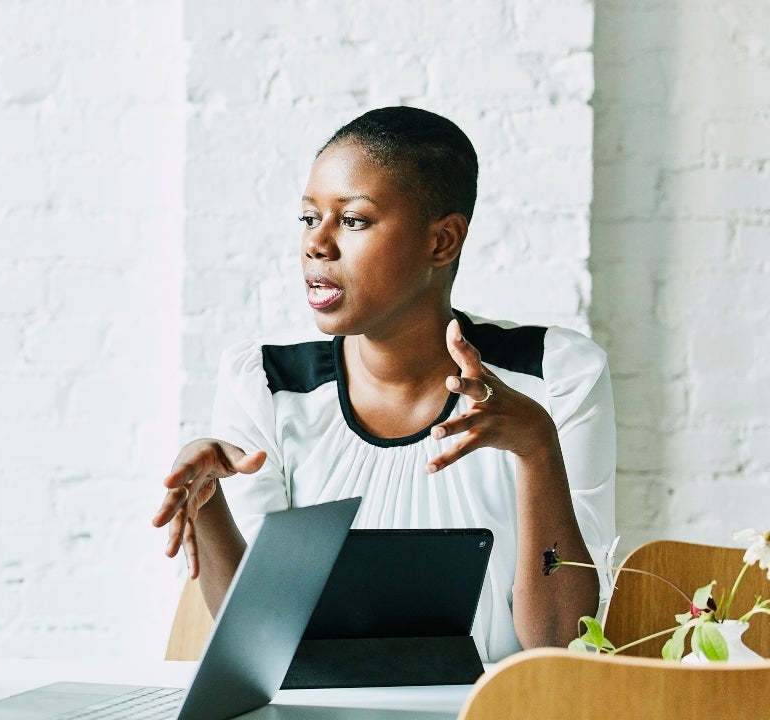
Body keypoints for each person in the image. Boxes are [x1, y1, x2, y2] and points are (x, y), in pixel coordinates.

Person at [152, 107, 615, 661]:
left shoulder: (554, 376)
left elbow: (562, 642)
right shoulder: (267, 387)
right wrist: (208, 506)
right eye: (308, 219)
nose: (316, 245)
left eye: (352, 221)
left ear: (442, 242)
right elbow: (261, 647)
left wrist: (537, 445)